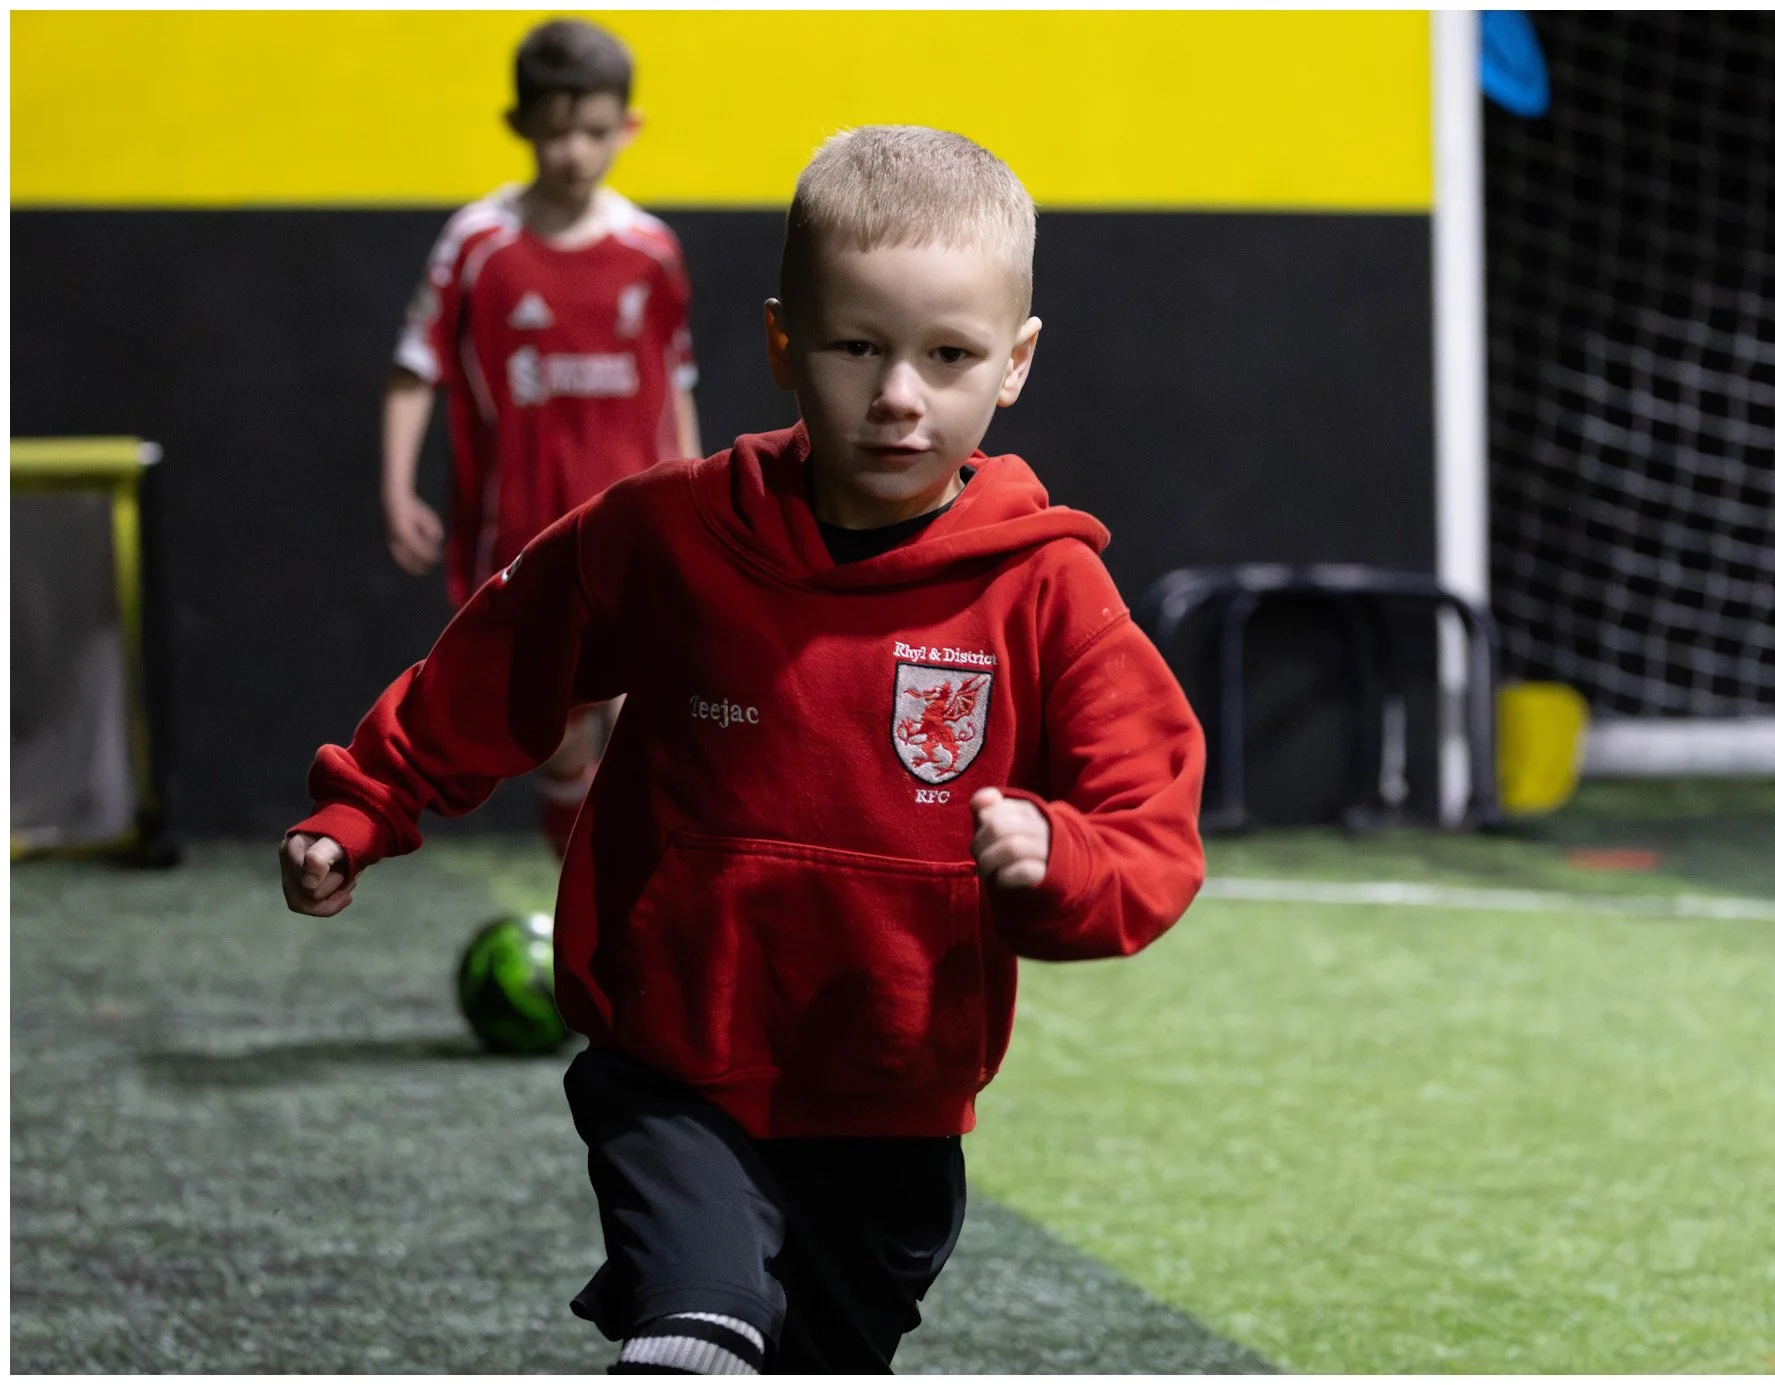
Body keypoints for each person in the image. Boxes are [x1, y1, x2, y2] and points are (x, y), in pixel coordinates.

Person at [282, 125, 1205, 1374]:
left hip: (893, 1097)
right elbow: (505, 654)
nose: (896, 393)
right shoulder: (667, 536)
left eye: (947, 356)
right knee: (698, 1324)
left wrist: (1061, 859)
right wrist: (366, 802)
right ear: (782, 342)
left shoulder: (1046, 591)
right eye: (856, 346)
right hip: (673, 1059)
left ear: (1015, 365)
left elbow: (1151, 827)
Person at [382, 17, 702, 856]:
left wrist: (697, 495)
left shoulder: (650, 251)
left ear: (626, 129)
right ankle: (576, 890)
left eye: (593, 132)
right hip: (524, 530)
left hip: (635, 528)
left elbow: (677, 388)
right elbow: (415, 367)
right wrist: (397, 488)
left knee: (649, 711)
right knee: (560, 728)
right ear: (519, 125)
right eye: (556, 132)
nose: (573, 152)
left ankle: (636, 904)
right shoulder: (478, 243)